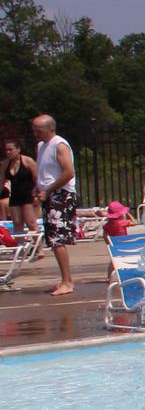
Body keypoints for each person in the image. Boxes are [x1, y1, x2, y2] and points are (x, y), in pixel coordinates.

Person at [31, 114, 76, 296]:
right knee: (52, 238)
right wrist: (38, 187)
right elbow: (44, 171)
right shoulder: (41, 146)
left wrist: (48, 190)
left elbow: (68, 173)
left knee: (58, 239)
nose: (35, 132)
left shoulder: (60, 144)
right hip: (48, 194)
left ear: (51, 128)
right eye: (34, 129)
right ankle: (64, 280)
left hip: (61, 194)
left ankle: (68, 282)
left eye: (38, 129)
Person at [2, 138, 37, 235]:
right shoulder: (5, 164)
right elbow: (1, 182)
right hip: (15, 196)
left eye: (10, 149)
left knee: (31, 223)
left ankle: (39, 248)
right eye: (6, 150)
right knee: (17, 223)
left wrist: (36, 193)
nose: (8, 152)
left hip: (28, 195)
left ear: (18, 149)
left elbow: (37, 179)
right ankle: (21, 245)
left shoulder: (28, 161)